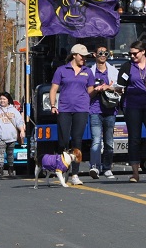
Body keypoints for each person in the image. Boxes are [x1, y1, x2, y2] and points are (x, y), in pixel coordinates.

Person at [49, 44, 95, 185]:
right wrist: (52, 105)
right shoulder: (61, 70)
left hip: (81, 109)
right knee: (63, 140)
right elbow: (53, 89)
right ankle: (61, 167)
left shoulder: (88, 71)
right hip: (64, 109)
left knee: (77, 140)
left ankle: (75, 174)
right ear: (74, 55)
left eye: (86, 57)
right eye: (82, 56)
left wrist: (99, 90)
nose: (84, 59)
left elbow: (90, 91)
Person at [118, 40, 146, 182]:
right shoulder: (127, 66)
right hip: (132, 105)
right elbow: (120, 85)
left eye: (135, 53)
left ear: (143, 52)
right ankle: (135, 173)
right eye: (130, 53)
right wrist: (117, 89)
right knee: (134, 138)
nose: (132, 56)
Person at [88, 45, 118, 179]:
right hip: (95, 110)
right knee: (96, 140)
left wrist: (109, 87)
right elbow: (87, 93)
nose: (103, 55)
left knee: (109, 141)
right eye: (100, 53)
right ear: (94, 55)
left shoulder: (113, 71)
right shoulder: (90, 72)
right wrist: (96, 89)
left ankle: (107, 168)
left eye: (106, 53)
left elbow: (120, 89)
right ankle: (94, 166)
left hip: (110, 109)